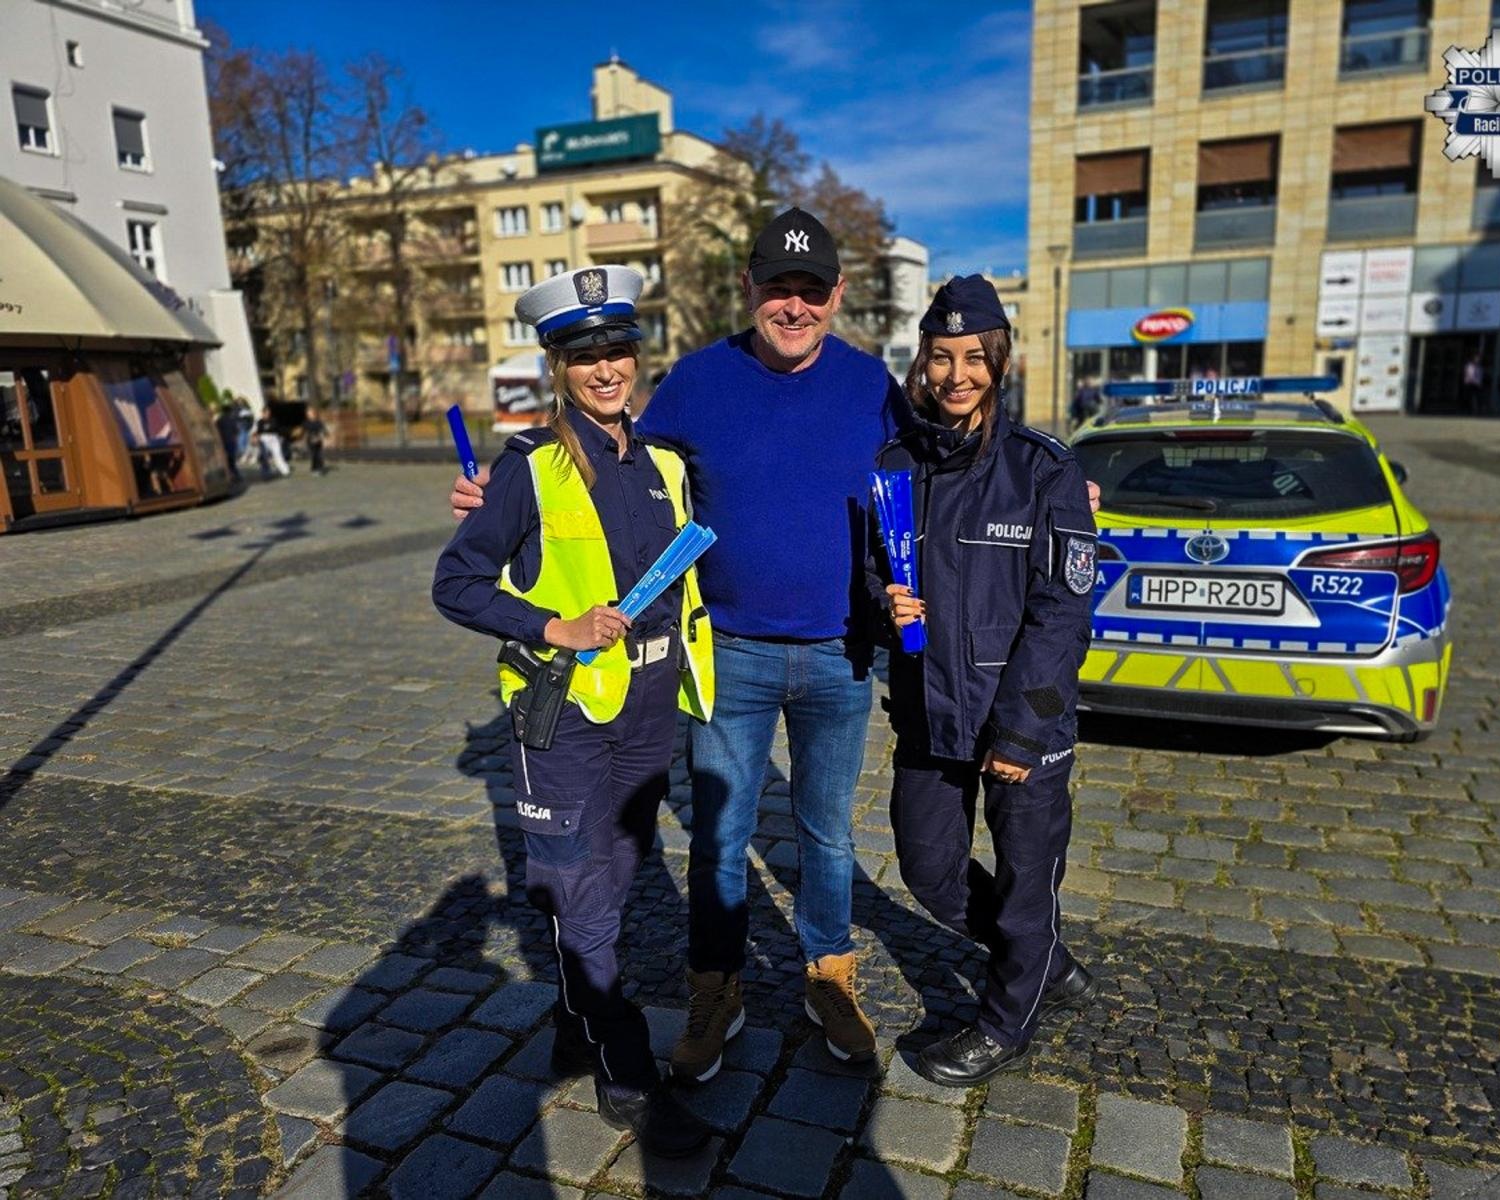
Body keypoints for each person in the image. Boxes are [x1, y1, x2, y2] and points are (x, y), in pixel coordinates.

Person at [451, 213, 1105, 1082]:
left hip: (842, 655)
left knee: (826, 836)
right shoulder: (695, 381)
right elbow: (612, 452)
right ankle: (716, 992)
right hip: (730, 655)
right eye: (776, 289)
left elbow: (952, 449)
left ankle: (828, 977)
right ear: (751, 292)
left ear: (835, 295)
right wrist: (508, 484)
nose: (793, 306)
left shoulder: (873, 383)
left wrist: (1054, 487)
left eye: (811, 290)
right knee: (721, 837)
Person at [432, 266, 716, 1156]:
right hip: (565, 719)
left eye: (616, 349)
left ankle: (573, 1016)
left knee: (618, 881)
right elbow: (457, 582)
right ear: (557, 364)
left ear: (637, 355)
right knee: (584, 895)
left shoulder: (665, 461)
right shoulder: (528, 469)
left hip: (646, 712)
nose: (604, 368)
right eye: (583, 353)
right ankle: (629, 1074)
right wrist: (554, 623)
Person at [868, 276, 1099, 1087]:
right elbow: (875, 573)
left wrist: (1023, 733)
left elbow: (1063, 614)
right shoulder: (895, 467)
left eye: (974, 357)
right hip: (930, 717)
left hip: (1020, 726)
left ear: (998, 361)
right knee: (929, 868)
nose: (957, 373)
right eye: (942, 356)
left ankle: (1006, 1022)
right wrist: (883, 600)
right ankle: (1042, 962)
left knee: (1024, 882)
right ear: (922, 365)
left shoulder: (1044, 470)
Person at [255, 408, 290, 478]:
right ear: (263, 413)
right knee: (264, 456)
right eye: (265, 413)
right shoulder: (260, 422)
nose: (267, 414)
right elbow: (259, 431)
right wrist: (256, 438)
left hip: (273, 438)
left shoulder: (273, 420)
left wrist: (281, 437)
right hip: (264, 439)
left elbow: (276, 429)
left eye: (268, 413)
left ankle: (285, 470)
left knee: (278, 454)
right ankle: (266, 472)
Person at [302, 407, 329, 476]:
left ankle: (320, 469)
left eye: (310, 414)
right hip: (310, 441)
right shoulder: (306, 423)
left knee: (319, 455)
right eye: (308, 414)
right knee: (313, 455)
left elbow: (324, 432)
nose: (309, 415)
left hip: (318, 440)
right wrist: (304, 442)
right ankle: (314, 468)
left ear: (314, 414)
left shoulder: (319, 422)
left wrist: (318, 438)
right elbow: (305, 433)